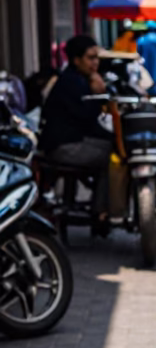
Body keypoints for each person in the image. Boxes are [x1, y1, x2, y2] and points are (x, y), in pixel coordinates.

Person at [40, 35, 112, 225]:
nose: (95, 63)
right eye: (90, 58)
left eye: (97, 57)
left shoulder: (79, 79)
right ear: (76, 60)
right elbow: (87, 118)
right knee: (112, 158)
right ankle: (101, 211)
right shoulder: (73, 82)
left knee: (111, 147)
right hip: (63, 146)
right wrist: (100, 96)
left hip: (73, 139)